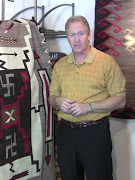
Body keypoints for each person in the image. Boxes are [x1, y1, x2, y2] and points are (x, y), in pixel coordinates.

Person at [49, 15, 126, 180]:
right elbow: (52, 97)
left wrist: (88, 107)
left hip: (95, 133)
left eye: (80, 34)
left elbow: (120, 100)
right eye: (72, 35)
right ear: (67, 38)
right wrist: (58, 101)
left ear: (89, 35)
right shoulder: (60, 65)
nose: (76, 39)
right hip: (65, 134)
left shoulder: (106, 62)